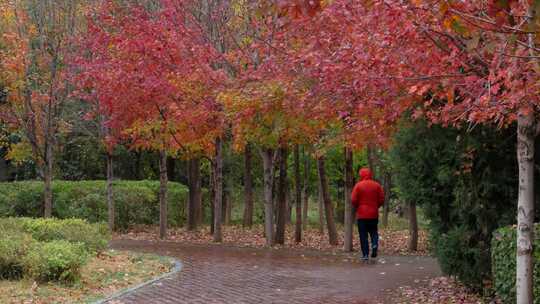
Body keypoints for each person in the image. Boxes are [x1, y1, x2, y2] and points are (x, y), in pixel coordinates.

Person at [351, 168, 384, 260]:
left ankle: (365, 254)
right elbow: (381, 199)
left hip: (362, 215)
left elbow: (353, 199)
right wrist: (375, 206)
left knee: (363, 235)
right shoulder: (377, 185)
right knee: (373, 231)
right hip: (373, 214)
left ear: (361, 175)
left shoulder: (358, 186)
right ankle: (374, 244)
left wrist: (358, 206)